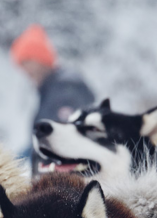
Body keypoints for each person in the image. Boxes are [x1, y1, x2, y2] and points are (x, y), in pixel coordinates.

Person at [10, 24, 95, 173]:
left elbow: (63, 137)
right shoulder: (51, 90)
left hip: (68, 180)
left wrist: (32, 153)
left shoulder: (66, 89)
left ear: (39, 58)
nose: (24, 70)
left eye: (26, 61)